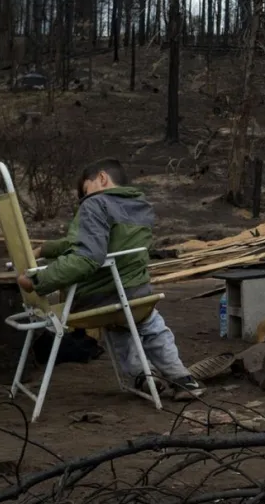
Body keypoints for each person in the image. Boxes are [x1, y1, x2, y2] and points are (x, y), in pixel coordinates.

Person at [16, 158, 203, 399]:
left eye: (86, 189)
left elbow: (87, 257)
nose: (84, 198)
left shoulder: (95, 204)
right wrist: (47, 249)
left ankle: (142, 377)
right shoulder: (140, 205)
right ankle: (182, 379)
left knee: (117, 322)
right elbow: (97, 242)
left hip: (97, 298)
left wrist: (39, 282)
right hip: (137, 292)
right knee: (144, 323)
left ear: (102, 178)